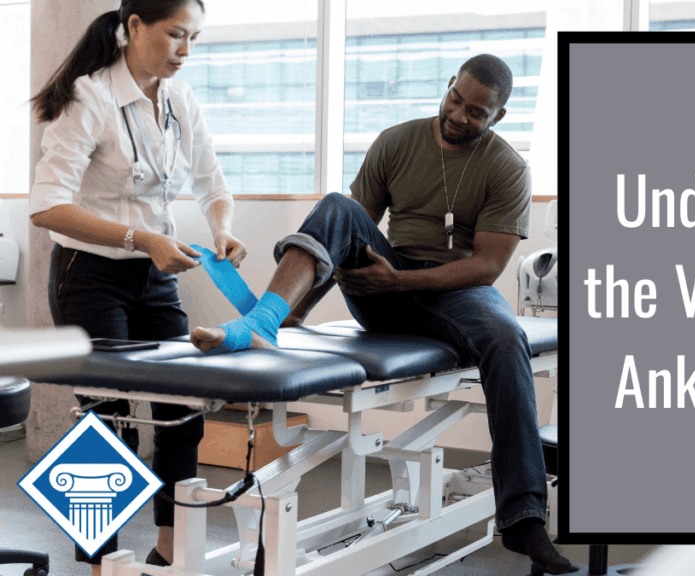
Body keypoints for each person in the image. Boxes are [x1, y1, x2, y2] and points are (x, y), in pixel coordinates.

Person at [189, 54, 576, 574]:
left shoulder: (507, 168)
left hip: (455, 290)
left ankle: (525, 517)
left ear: (497, 116)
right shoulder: (397, 141)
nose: (459, 115)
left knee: (507, 338)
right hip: (381, 286)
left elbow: (486, 266)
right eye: (455, 100)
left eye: (476, 112)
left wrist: (401, 281)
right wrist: (298, 314)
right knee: (337, 203)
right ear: (448, 87)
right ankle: (266, 321)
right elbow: (340, 234)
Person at [29, 1, 246, 572]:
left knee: (182, 411)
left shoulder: (180, 101)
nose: (186, 51)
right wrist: (140, 238)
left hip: (155, 276)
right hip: (90, 276)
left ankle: (170, 551)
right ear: (133, 27)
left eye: (194, 39)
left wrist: (222, 230)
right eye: (176, 35)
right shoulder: (89, 97)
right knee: (108, 421)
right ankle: (101, 563)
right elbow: (48, 207)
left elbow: (212, 182)